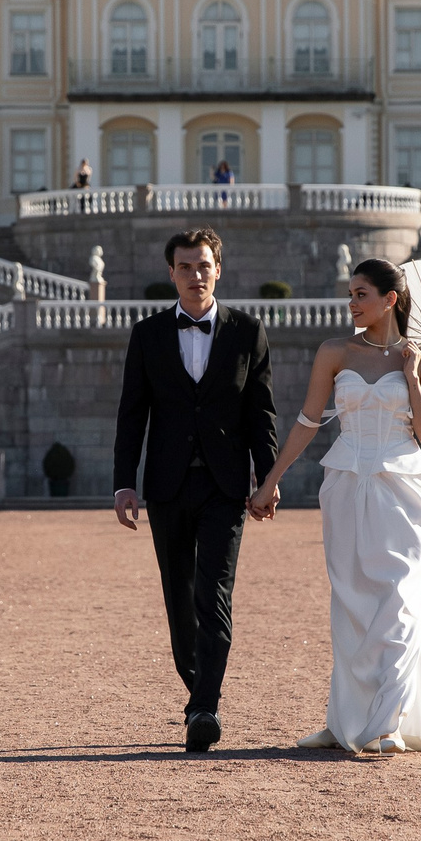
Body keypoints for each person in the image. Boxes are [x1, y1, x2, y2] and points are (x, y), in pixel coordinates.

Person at [250, 258, 421, 755]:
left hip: (400, 488)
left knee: (399, 597)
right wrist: (271, 480)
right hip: (343, 485)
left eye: (361, 294)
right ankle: (345, 720)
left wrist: (413, 376)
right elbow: (308, 422)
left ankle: (389, 722)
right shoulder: (333, 351)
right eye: (351, 294)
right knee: (351, 600)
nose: (352, 303)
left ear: (389, 300)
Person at [113, 229, 279, 753]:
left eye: (203, 265)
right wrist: (124, 482)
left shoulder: (248, 331)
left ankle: (206, 706)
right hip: (166, 486)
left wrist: (268, 479)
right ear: (172, 273)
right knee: (178, 598)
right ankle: (197, 691)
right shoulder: (148, 334)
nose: (195, 274)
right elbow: (131, 415)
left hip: (225, 487)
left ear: (218, 269)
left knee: (214, 596)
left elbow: (262, 415)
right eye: (185, 266)